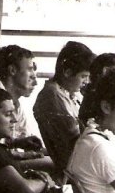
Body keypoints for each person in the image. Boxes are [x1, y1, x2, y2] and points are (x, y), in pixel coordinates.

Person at [33, 41, 96, 176]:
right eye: (83, 76)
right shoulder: (53, 96)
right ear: (67, 72)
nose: (87, 82)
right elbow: (74, 141)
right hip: (73, 170)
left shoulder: (65, 93)